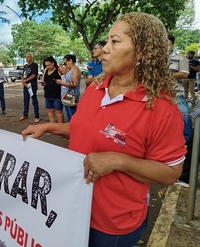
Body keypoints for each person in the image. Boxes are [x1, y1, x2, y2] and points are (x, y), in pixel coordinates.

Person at [21, 12, 186, 246]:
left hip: (112, 225)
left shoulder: (161, 108)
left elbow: (171, 172)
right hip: (74, 208)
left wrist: (119, 161)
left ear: (142, 51)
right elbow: (85, 130)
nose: (103, 49)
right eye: (106, 41)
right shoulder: (96, 89)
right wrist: (48, 127)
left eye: (115, 42)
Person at [168, 35, 193, 186]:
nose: (165, 45)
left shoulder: (180, 58)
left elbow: (184, 74)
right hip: (156, 98)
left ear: (172, 44)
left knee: (188, 133)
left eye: (168, 43)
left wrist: (166, 74)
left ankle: (184, 174)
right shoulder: (152, 57)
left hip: (175, 97)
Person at [56, 54, 81, 122]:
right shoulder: (70, 70)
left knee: (72, 116)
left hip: (72, 95)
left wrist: (62, 83)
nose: (65, 64)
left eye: (65, 62)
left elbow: (74, 84)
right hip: (67, 95)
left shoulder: (75, 70)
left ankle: (74, 130)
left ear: (70, 61)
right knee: (68, 115)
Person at [41, 56, 63, 123]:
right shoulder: (46, 70)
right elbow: (43, 80)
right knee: (50, 111)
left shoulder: (58, 69)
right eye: (46, 65)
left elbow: (65, 78)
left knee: (58, 111)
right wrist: (43, 83)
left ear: (53, 63)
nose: (48, 67)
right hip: (48, 94)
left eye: (49, 65)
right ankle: (52, 125)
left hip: (57, 95)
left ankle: (60, 126)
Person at [20, 52, 40, 123]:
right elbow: (23, 75)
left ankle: (37, 116)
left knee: (34, 100)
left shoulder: (34, 65)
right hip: (25, 86)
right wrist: (23, 81)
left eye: (29, 57)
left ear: (31, 57)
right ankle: (25, 114)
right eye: (26, 57)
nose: (27, 58)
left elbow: (34, 75)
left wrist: (26, 80)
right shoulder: (25, 66)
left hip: (32, 86)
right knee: (25, 100)